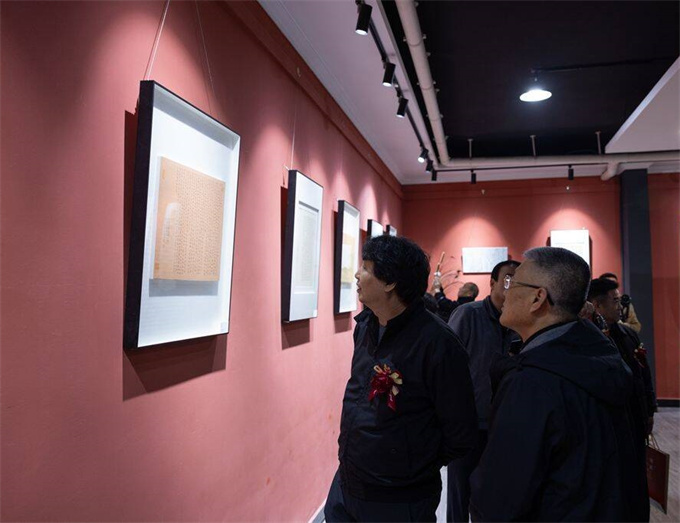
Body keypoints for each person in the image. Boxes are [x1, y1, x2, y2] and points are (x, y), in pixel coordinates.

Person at [470, 247, 647, 522]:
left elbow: (501, 497)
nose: (506, 292)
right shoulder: (603, 357)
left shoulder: (532, 382)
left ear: (537, 298)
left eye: (513, 283)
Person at [325, 235, 478, 522]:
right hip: (348, 481)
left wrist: (411, 465)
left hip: (401, 498)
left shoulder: (438, 343)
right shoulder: (366, 326)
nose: (357, 274)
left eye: (366, 267)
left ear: (390, 282)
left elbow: (461, 431)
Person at [445, 260, 520, 523]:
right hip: (468, 424)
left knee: (498, 497)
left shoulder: (522, 322)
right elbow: (446, 366)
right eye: (508, 279)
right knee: (459, 496)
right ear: (492, 283)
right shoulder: (468, 315)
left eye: (518, 281)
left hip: (506, 426)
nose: (512, 285)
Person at [589, 277, 656, 481]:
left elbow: (644, 375)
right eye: (615, 301)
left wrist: (649, 410)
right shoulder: (587, 339)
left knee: (636, 473)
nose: (620, 307)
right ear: (597, 305)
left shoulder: (628, 334)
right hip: (606, 423)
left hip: (635, 415)